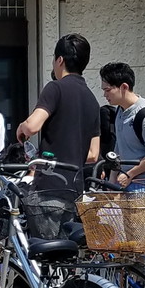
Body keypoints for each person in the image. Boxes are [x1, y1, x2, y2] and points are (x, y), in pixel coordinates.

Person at [17, 33, 100, 236]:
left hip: (49, 187)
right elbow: (93, 154)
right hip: (75, 190)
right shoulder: (92, 99)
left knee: (45, 252)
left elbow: (32, 126)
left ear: (60, 60)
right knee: (65, 252)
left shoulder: (55, 88)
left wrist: (21, 128)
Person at [98, 62, 145, 191]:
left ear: (124, 87)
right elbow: (119, 148)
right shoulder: (120, 110)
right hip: (126, 183)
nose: (105, 95)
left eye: (107, 90)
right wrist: (112, 179)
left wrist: (130, 174)